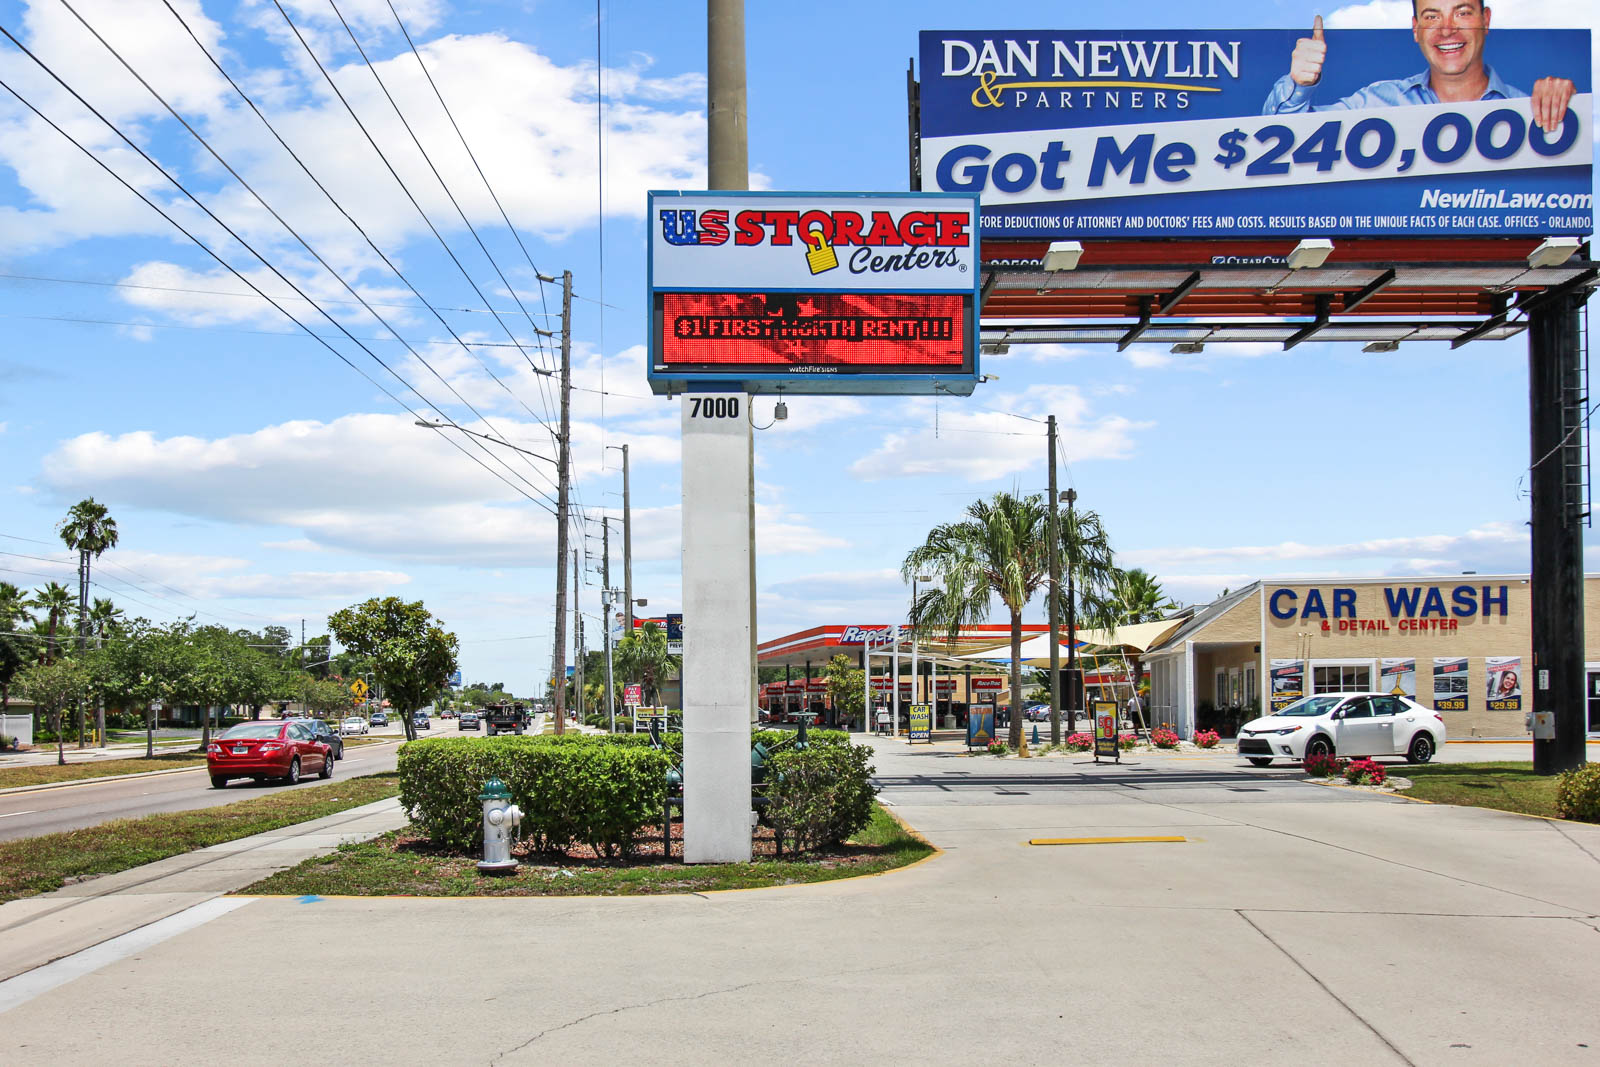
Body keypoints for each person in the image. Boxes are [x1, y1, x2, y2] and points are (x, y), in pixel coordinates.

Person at [1263, 4, 1575, 131]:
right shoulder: (1378, 101)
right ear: (1415, 29)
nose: (1447, 29)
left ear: (1486, 20)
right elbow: (1277, 136)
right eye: (1432, 17)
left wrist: (1566, 107)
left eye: (1463, 13)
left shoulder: (1529, 109)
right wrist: (1299, 84)